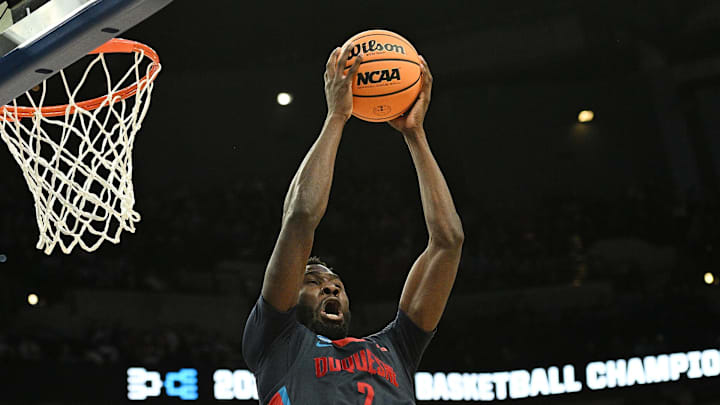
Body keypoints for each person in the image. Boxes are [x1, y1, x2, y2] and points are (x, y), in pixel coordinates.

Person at [242, 43, 464, 404]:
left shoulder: (397, 347)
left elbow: (448, 241)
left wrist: (415, 134)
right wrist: (336, 117)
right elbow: (299, 218)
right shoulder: (276, 342)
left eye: (336, 285)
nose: (331, 289)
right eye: (313, 282)